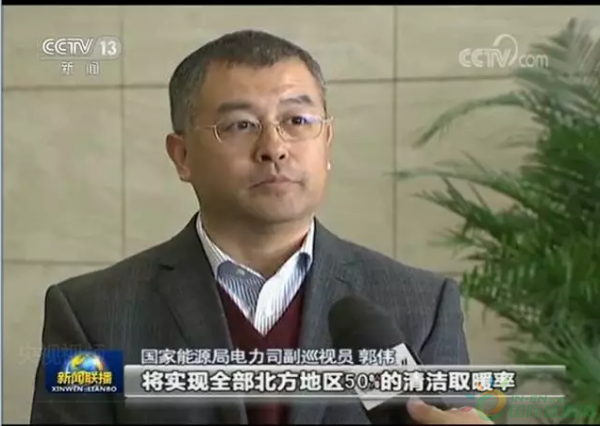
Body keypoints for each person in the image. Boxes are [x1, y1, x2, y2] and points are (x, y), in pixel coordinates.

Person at [30, 30, 491, 425]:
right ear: (182, 156)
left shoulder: (422, 306)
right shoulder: (90, 315)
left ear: (327, 141)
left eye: (297, 120)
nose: (274, 147)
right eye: (240, 125)